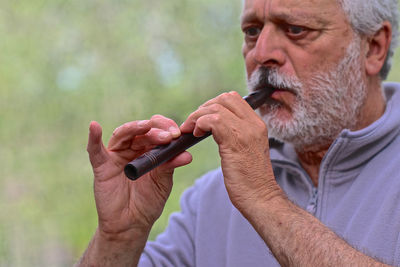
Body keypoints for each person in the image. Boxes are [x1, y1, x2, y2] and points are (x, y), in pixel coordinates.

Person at [76, 0, 400, 266]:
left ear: (373, 47)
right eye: (252, 31)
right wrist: (119, 237)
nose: (261, 53)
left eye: (296, 30)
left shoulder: (249, 187)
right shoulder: (212, 198)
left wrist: (265, 201)